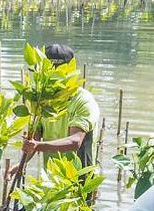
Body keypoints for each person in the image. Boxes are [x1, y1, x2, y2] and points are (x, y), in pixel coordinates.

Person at [11, 44, 100, 174]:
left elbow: (75, 141)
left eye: (59, 72)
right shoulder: (41, 101)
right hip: (52, 176)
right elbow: (34, 140)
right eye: (52, 72)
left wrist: (38, 146)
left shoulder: (83, 100)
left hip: (80, 176)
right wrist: (20, 164)